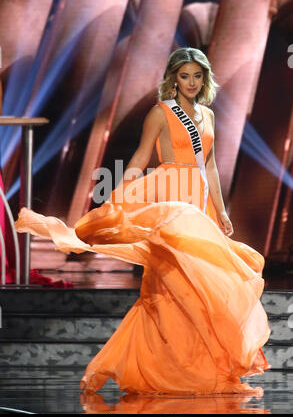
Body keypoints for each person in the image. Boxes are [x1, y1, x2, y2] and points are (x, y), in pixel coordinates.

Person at [15, 47, 271, 397]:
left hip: (199, 203)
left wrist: (222, 210)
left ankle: (192, 369)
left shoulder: (209, 116)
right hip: (170, 198)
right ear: (173, 78)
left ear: (205, 78)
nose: (192, 82)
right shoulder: (161, 112)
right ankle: (158, 369)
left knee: (196, 288)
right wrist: (118, 193)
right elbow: (140, 155)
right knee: (166, 287)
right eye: (185, 76)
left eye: (197, 75)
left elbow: (209, 165)